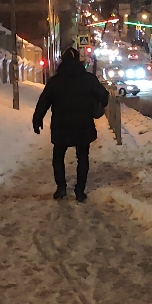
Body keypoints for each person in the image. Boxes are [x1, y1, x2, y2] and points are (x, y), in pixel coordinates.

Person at [32, 47, 109, 202]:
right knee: (82, 156)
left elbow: (44, 101)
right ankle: (80, 190)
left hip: (61, 125)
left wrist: (37, 119)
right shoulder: (88, 79)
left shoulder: (56, 81)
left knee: (58, 155)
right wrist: (97, 105)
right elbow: (104, 96)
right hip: (83, 124)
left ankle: (61, 187)